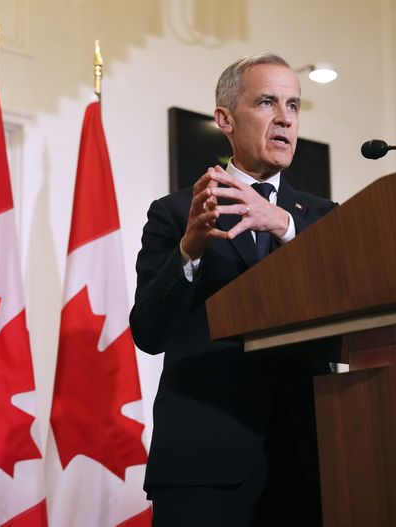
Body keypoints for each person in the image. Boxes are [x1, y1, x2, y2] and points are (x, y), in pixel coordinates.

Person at [129, 53, 338, 526]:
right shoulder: (176, 213)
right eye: (267, 102)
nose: (285, 118)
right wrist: (190, 251)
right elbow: (148, 332)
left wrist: (284, 226)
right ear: (224, 119)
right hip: (204, 458)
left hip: (305, 460)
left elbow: (348, 303)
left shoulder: (322, 219)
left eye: (294, 105)